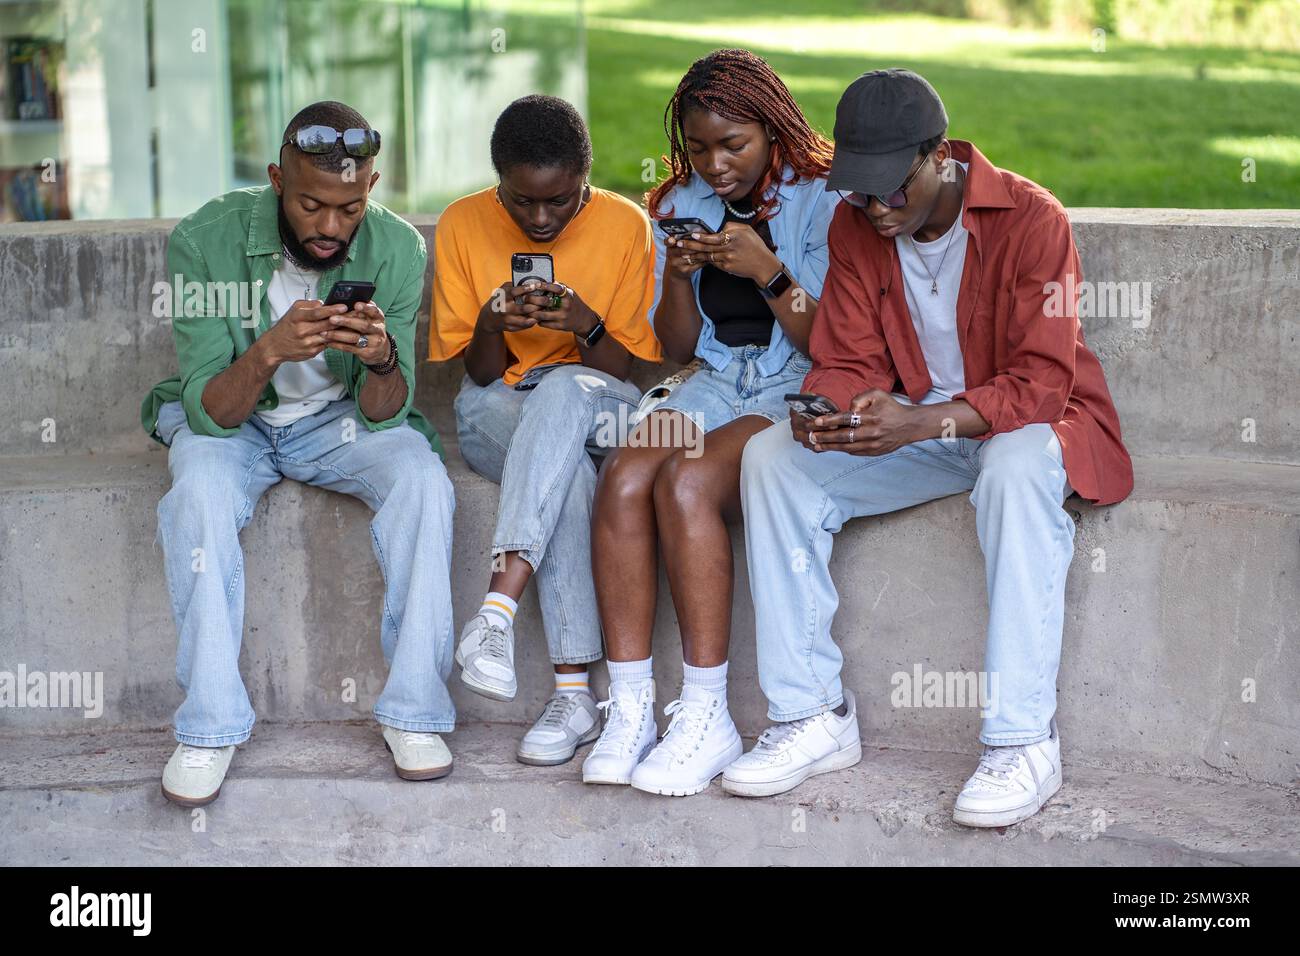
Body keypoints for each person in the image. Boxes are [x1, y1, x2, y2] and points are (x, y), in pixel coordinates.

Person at [725, 69, 1134, 828]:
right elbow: (848, 356)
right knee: (773, 460)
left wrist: (921, 423)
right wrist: (828, 410)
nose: (877, 208)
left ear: (939, 155)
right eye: (861, 190)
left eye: (892, 188)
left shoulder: (1033, 220)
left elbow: (1043, 385)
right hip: (922, 427)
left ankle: (1022, 740)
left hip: (1026, 427)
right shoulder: (857, 225)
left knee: (1013, 470)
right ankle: (810, 716)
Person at [141, 101, 458, 807]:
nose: (330, 226)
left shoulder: (398, 249)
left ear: (370, 188)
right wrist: (269, 351)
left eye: (349, 207)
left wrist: (379, 362)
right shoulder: (205, 239)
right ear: (277, 180)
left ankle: (414, 712)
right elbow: (212, 412)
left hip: (339, 424)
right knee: (195, 491)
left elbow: (387, 413)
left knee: (424, 481)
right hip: (240, 421)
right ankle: (209, 727)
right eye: (312, 203)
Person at [584, 49, 840, 796]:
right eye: (699, 147)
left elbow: (827, 342)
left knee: (689, 483)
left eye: (735, 145)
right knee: (626, 474)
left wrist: (766, 269)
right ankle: (630, 709)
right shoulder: (679, 203)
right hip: (713, 383)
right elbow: (675, 348)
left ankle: (707, 713)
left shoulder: (823, 200)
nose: (716, 164)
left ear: (773, 129)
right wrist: (677, 273)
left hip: (787, 389)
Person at [429, 95, 660, 767]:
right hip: (497, 405)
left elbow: (627, 369)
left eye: (558, 202)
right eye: (519, 201)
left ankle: (496, 611)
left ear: (585, 179)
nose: (537, 218)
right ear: (498, 180)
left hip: (601, 403)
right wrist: (492, 324)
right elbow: (476, 373)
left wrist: (584, 324)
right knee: (568, 475)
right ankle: (573, 694)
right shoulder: (462, 223)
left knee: (563, 389)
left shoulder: (626, 225)